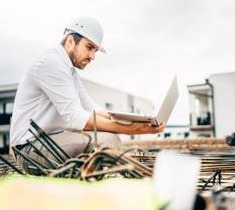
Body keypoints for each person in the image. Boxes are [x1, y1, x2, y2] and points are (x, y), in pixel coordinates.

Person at [10, 16, 165, 174]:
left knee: (108, 138)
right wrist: (132, 130)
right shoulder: (51, 63)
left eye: (95, 50)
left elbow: (93, 110)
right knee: (108, 141)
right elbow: (77, 118)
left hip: (49, 141)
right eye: (89, 47)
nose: (92, 57)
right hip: (29, 151)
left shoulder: (68, 69)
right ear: (71, 41)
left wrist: (138, 122)